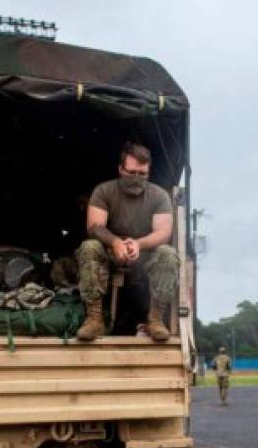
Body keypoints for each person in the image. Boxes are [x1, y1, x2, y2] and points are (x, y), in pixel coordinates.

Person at [75, 142, 180, 341]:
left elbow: (164, 232)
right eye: (131, 172)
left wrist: (138, 244)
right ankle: (94, 320)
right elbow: (94, 226)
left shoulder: (159, 196)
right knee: (89, 247)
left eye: (142, 174)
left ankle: (155, 320)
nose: (136, 179)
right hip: (111, 254)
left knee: (168, 253)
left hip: (145, 255)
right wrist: (115, 242)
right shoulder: (104, 191)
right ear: (121, 169)